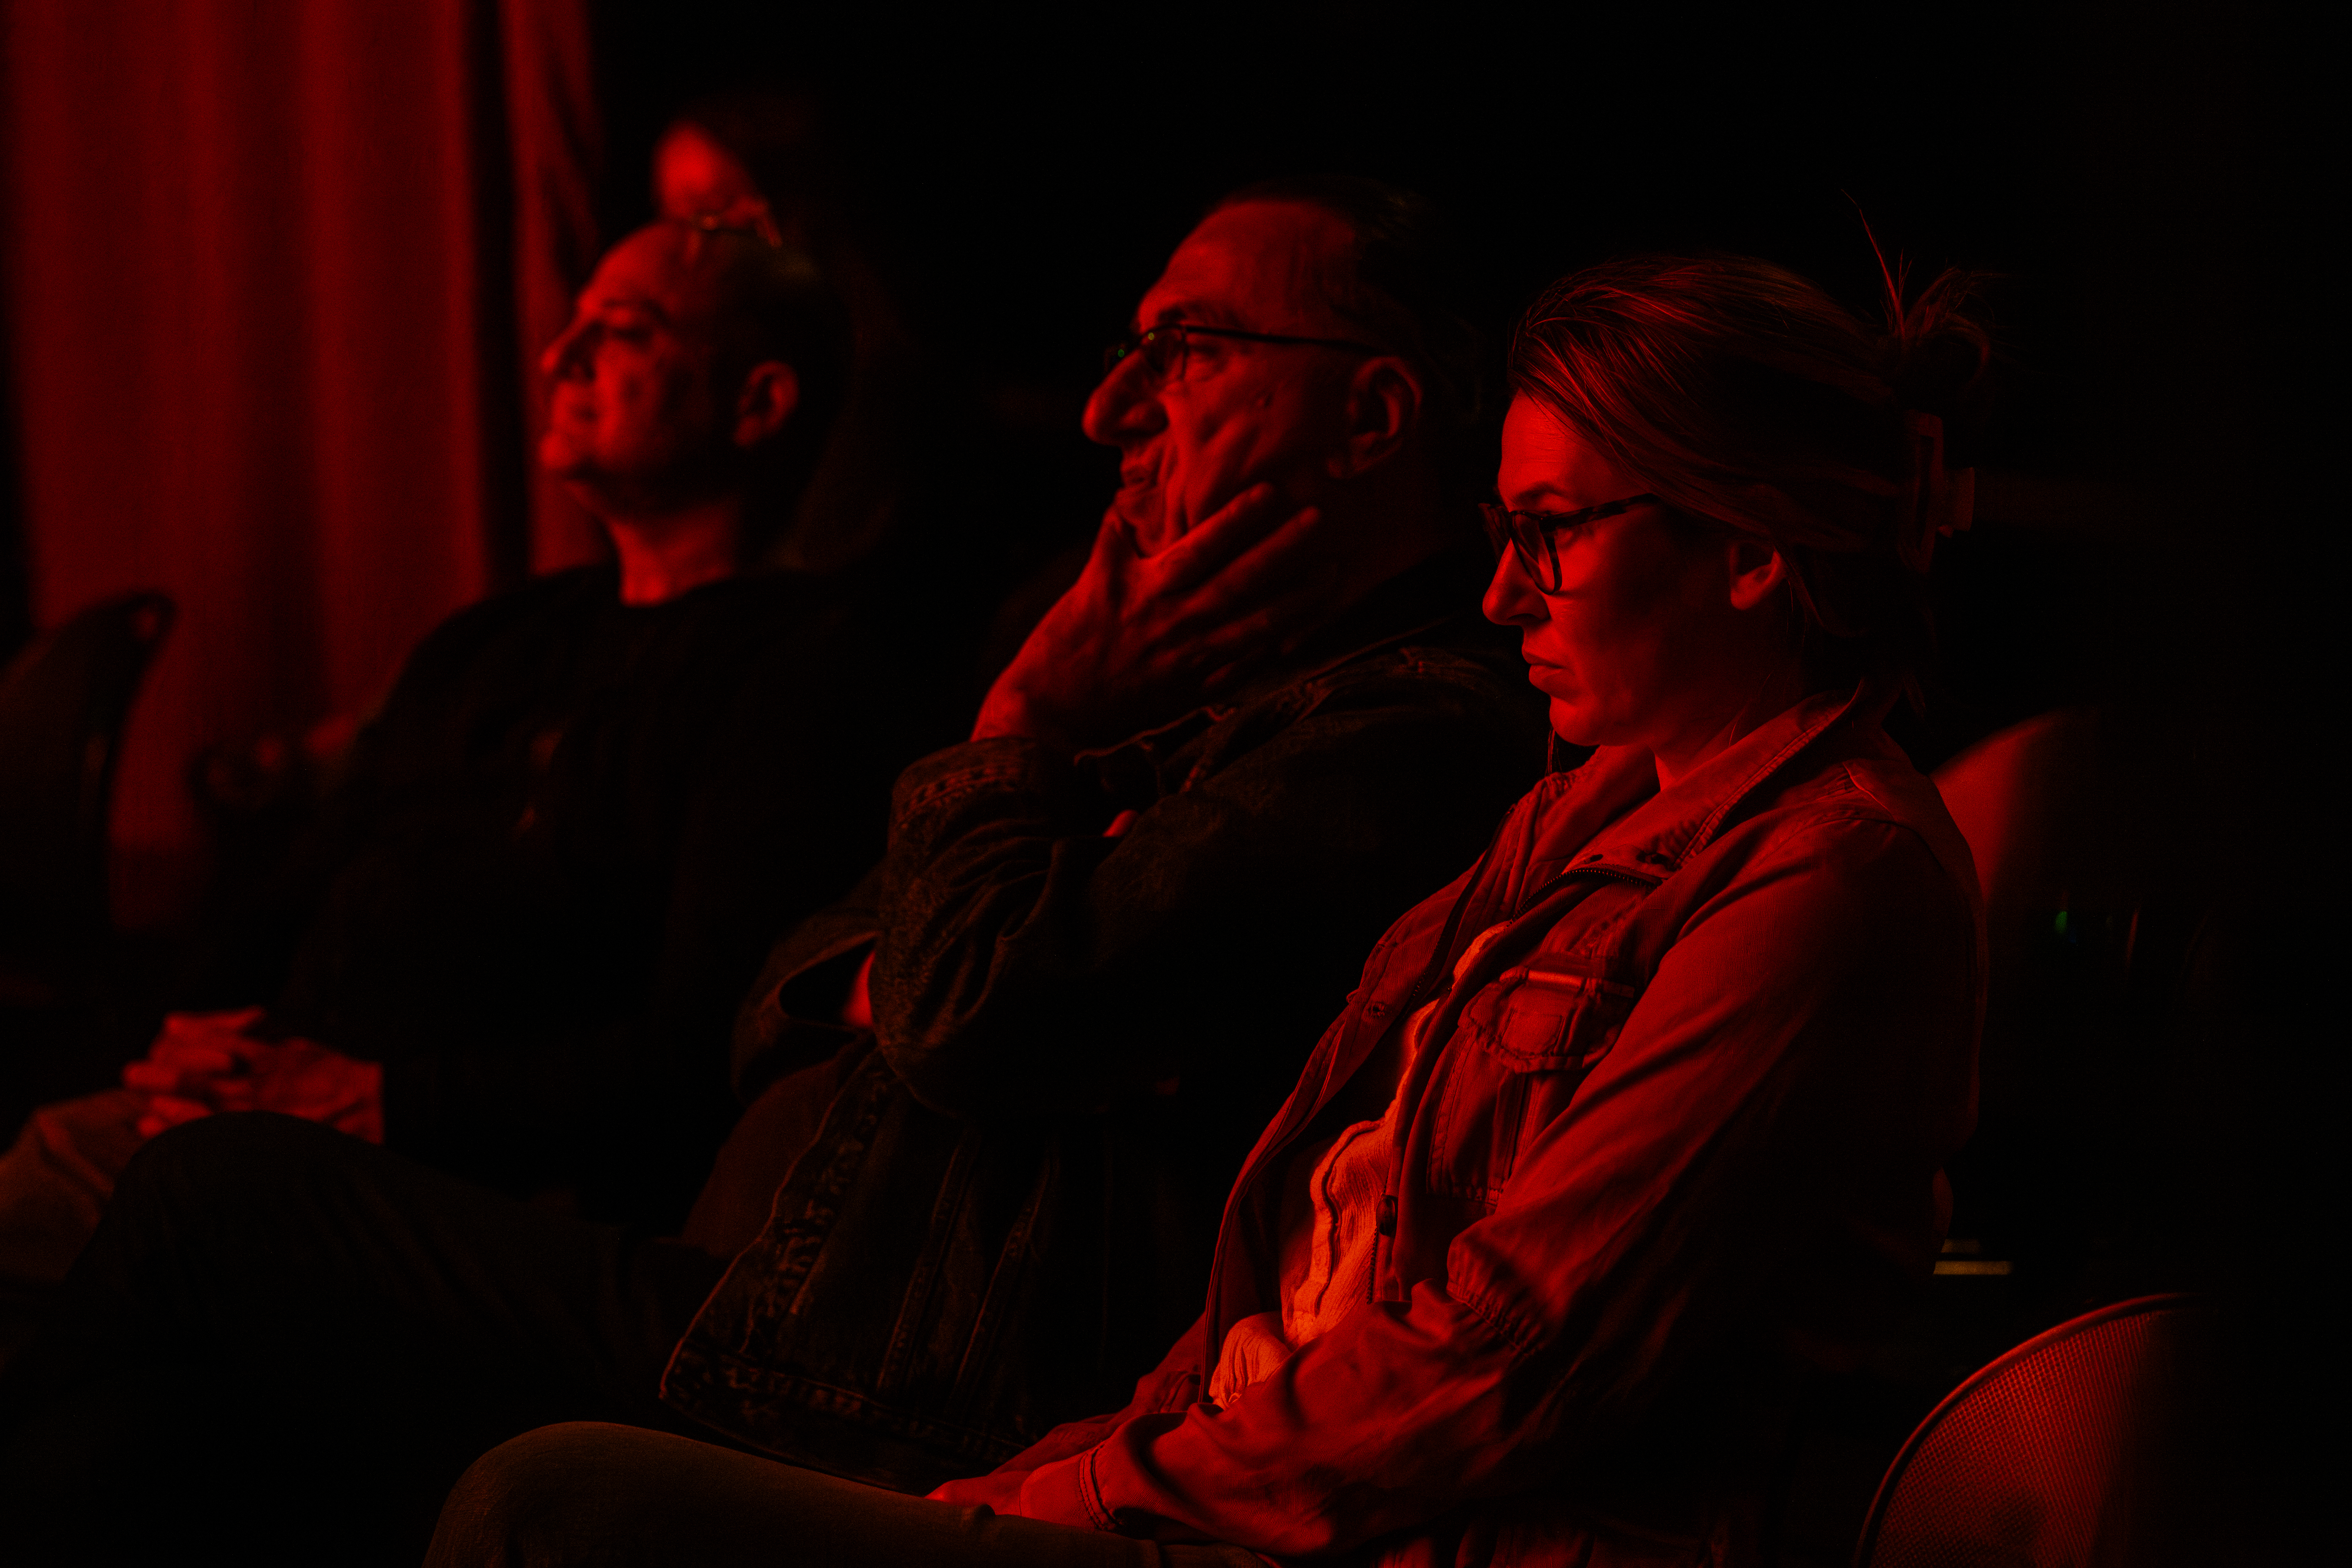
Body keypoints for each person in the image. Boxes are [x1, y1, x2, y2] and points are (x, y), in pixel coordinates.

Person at [0, 178, 1546, 1566]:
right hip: (795, 1303)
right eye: (1123, 351)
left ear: (1372, 417)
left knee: (211, 1199)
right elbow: (784, 990)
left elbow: (955, 1011)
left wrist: (1016, 733)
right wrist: (936, 936)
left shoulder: (1404, 732)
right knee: (180, 1375)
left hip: (897, 1381)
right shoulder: (1172, 692)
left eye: (1185, 349)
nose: (1108, 409)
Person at [418, 251, 1990, 1567]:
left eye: (1550, 534)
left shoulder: (1823, 879)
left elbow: (1498, 1357)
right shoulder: (1570, 810)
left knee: (545, 1503)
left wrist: (1072, 1496)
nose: (1503, 592)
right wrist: (1068, 1465)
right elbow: (1294, 1270)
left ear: (1748, 551)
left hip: (1393, 1537)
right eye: (1503, 535)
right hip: (1212, 1484)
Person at [0, 213, 956, 1274]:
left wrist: (386, 1100)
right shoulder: (491, 641)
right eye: (573, 322)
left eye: (625, 329)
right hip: (267, 1110)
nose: (559, 357)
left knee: (41, 1208)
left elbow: (710, 1033)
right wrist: (192, 1035)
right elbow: (299, 885)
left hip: (471, 1178)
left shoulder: (807, 673)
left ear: (759, 402)